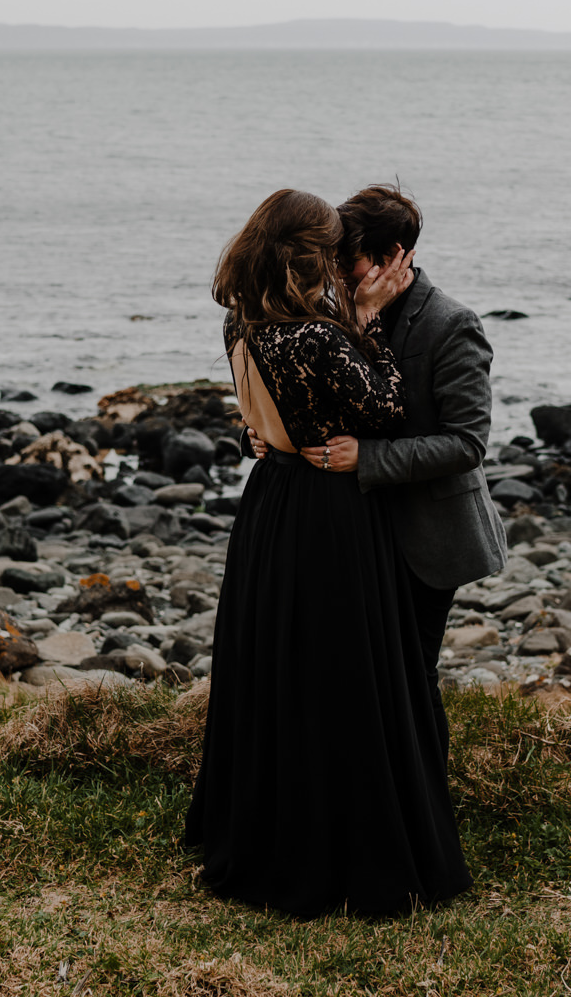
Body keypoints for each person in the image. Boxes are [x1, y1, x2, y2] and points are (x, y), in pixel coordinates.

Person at [183, 188, 471, 918]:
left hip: (271, 503)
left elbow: (266, 406)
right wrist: (369, 326)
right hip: (331, 512)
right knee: (347, 680)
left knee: (275, 668)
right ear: (308, 254)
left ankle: (264, 823)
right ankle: (355, 840)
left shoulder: (239, 320)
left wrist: (263, 432)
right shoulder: (317, 335)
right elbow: (387, 407)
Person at [267, 185, 508, 693]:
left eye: (347, 261)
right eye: (332, 260)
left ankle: (424, 776)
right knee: (359, 678)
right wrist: (262, 434)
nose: (335, 274)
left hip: (428, 536)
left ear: (394, 256)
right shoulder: (335, 313)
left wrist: (368, 456)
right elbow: (309, 397)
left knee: (411, 679)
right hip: (356, 531)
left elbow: (467, 444)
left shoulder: (452, 324)